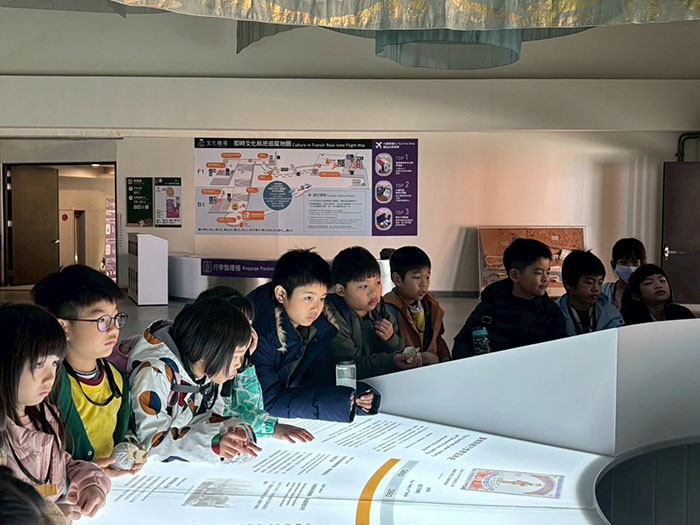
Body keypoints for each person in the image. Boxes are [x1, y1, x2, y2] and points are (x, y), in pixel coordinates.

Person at [0, 304, 110, 523]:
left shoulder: (43, 414)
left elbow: (59, 463)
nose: (50, 376)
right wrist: (50, 514)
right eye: (39, 363)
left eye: (55, 363)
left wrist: (90, 482)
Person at [121, 297, 260, 462]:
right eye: (236, 356)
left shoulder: (205, 371)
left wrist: (232, 429)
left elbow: (206, 415)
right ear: (210, 349)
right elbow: (151, 443)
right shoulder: (154, 372)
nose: (239, 364)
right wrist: (211, 445)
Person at [248, 249, 380, 422]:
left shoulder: (316, 327)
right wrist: (339, 403)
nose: (316, 308)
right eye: (308, 298)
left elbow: (315, 378)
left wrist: (355, 395)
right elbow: (267, 401)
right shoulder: (258, 331)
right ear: (281, 294)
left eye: (322, 298)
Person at [32, 265, 137, 475]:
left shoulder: (117, 378)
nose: (114, 329)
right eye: (102, 321)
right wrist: (79, 473)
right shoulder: (47, 386)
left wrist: (130, 450)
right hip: (70, 489)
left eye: (116, 318)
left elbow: (123, 432)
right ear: (64, 327)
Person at [193, 286, 313, 444]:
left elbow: (252, 406)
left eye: (249, 327)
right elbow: (218, 415)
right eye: (240, 328)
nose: (246, 336)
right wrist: (270, 428)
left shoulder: (236, 359)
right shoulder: (203, 368)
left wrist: (245, 361)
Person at [453, 238, 567, 358]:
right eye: (538, 273)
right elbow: (463, 342)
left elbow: (559, 350)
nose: (545, 278)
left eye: (548, 272)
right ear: (515, 275)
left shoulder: (551, 312)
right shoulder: (490, 306)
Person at [326, 246, 418, 379]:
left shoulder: (379, 310)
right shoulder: (333, 319)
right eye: (364, 286)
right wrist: (391, 361)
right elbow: (350, 368)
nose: (374, 292)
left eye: (378, 283)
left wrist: (391, 340)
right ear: (340, 290)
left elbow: (399, 350)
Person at [383, 246, 451, 363]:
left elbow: (438, 338)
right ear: (397, 279)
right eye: (417, 277)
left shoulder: (431, 305)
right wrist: (421, 358)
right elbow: (387, 351)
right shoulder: (388, 310)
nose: (424, 284)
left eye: (427, 277)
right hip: (407, 370)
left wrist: (445, 358)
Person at [555, 250, 624, 336]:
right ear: (568, 284)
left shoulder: (609, 313)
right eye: (589, 282)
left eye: (600, 283)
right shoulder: (553, 314)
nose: (596, 289)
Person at [620, 264, 695, 324]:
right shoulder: (628, 318)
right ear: (636, 296)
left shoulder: (682, 313)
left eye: (662, 280)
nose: (659, 286)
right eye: (648, 283)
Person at [601, 238, 647, 309]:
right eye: (623, 262)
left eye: (635, 263)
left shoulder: (647, 292)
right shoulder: (603, 291)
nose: (629, 267)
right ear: (613, 264)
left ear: (643, 264)